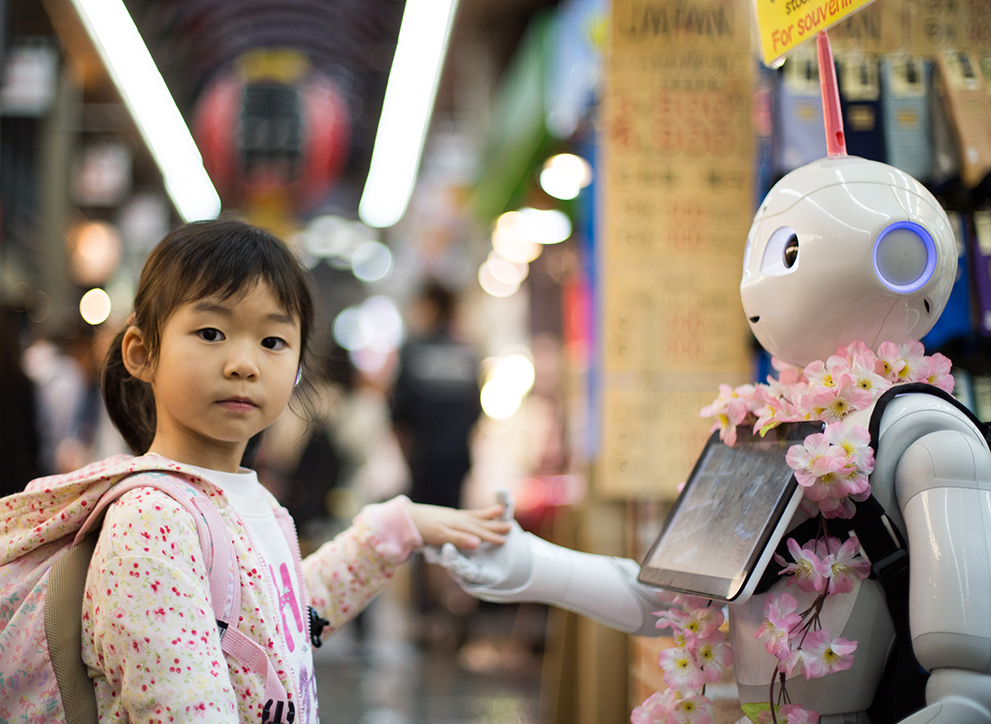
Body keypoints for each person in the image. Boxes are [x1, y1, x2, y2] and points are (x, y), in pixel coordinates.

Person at [6, 218, 510, 723]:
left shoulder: (246, 499)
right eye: (211, 332)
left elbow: (278, 623)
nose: (244, 363)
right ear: (141, 352)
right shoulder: (151, 520)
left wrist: (397, 531)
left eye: (272, 341)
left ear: (295, 369)